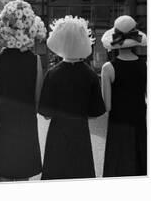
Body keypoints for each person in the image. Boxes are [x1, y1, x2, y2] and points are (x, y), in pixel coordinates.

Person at [38, 16, 106, 180]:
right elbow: (96, 111)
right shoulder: (90, 74)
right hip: (80, 131)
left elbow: (46, 113)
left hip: (57, 132)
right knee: (80, 173)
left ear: (59, 41)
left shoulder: (53, 74)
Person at [0, 0, 47, 181]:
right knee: (23, 171)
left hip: (5, 117)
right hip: (26, 117)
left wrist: (2, 112)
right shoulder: (35, 60)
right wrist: (31, 110)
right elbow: (38, 94)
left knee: (5, 172)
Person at [100, 16, 147, 177]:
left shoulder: (108, 68)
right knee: (140, 162)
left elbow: (107, 106)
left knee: (118, 165)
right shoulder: (145, 65)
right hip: (139, 120)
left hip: (118, 122)